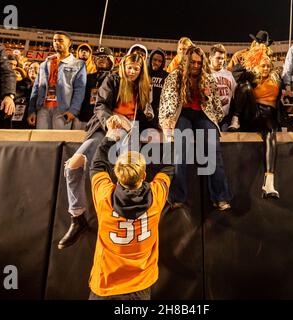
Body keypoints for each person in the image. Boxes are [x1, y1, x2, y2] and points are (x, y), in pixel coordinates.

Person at [58, 53, 154, 249]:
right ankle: (77, 218)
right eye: (129, 67)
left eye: (136, 68)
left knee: (127, 174)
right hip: (106, 128)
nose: (132, 71)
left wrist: (150, 115)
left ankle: (123, 218)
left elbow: (145, 114)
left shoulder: (144, 86)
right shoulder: (113, 79)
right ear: (123, 65)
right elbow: (100, 106)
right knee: (72, 167)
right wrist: (110, 119)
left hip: (129, 131)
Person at [87, 115, 174, 300]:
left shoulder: (104, 198)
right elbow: (169, 167)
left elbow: (96, 165)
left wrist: (110, 136)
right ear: (143, 176)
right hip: (140, 286)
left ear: (118, 176)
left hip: (105, 285)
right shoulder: (156, 196)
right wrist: (167, 136)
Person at [159, 46, 232, 211]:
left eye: (199, 63)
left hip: (202, 115)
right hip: (182, 114)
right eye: (193, 62)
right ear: (186, 61)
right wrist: (167, 123)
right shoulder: (175, 76)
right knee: (180, 150)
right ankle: (177, 197)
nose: (196, 65)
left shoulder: (208, 78)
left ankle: (220, 197)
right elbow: (167, 101)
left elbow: (216, 107)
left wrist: (207, 98)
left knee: (213, 150)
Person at [232, 50, 282, 198]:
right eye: (262, 66)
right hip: (253, 113)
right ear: (258, 66)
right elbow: (236, 74)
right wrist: (250, 58)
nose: (265, 69)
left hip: (269, 116)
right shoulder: (252, 76)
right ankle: (236, 118)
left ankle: (269, 183)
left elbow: (286, 91)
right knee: (244, 86)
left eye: (267, 66)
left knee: (271, 132)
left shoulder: (277, 79)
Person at [27, 31, 87, 129]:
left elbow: (80, 89)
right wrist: (31, 110)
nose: (56, 43)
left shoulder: (78, 64)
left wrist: (73, 110)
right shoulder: (44, 64)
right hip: (43, 109)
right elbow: (36, 89)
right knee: (40, 142)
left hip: (63, 109)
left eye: (60, 40)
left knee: (59, 142)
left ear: (69, 43)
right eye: (54, 40)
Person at [227, 33, 273, 131]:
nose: (260, 47)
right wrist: (247, 65)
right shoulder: (240, 56)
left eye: (264, 45)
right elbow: (231, 76)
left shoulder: (266, 61)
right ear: (254, 43)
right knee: (245, 85)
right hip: (241, 99)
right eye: (258, 43)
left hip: (257, 105)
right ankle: (235, 118)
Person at [74, 44, 114, 129]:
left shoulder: (115, 80)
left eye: (105, 57)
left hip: (104, 121)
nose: (101, 60)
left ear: (111, 60)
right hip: (84, 119)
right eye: (98, 57)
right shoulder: (87, 77)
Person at [208, 44, 237, 131]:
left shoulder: (229, 74)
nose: (221, 61)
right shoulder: (205, 73)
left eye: (222, 58)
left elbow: (235, 95)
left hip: (225, 118)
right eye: (218, 58)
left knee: (226, 140)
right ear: (210, 58)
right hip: (210, 117)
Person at [148, 48, 169, 129]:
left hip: (159, 113)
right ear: (150, 59)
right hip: (144, 112)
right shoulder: (144, 73)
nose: (156, 63)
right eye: (155, 60)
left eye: (160, 61)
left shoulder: (166, 76)